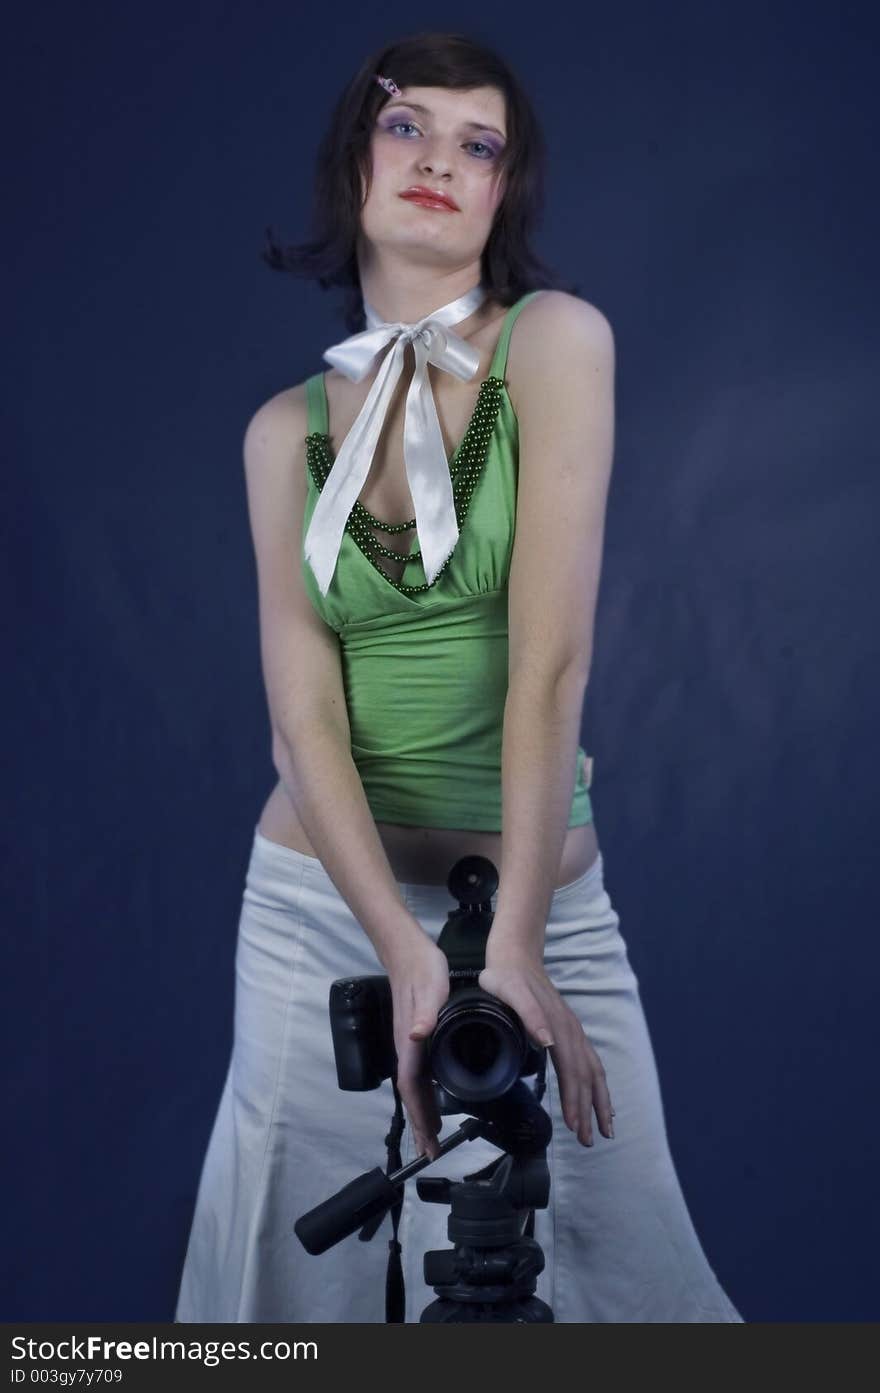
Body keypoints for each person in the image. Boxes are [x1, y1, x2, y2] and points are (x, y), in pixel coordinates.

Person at [174, 31, 744, 1324]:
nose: (439, 160)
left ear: (505, 191)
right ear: (351, 166)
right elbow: (301, 725)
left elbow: (550, 665)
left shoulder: (555, 345)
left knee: (637, 1276)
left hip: (538, 892)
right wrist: (399, 943)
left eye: (475, 144)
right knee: (272, 1298)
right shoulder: (281, 436)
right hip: (319, 907)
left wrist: (522, 935)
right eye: (406, 128)